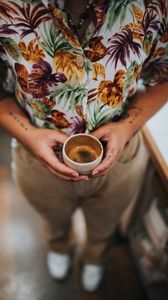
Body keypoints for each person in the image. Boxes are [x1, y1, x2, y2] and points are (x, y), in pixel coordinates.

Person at [0, 0, 167, 292]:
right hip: (36, 159)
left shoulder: (153, 6)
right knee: (53, 219)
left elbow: (163, 77)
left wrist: (127, 126)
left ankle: (95, 255)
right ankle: (60, 245)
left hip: (120, 158)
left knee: (105, 223)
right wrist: (29, 136)